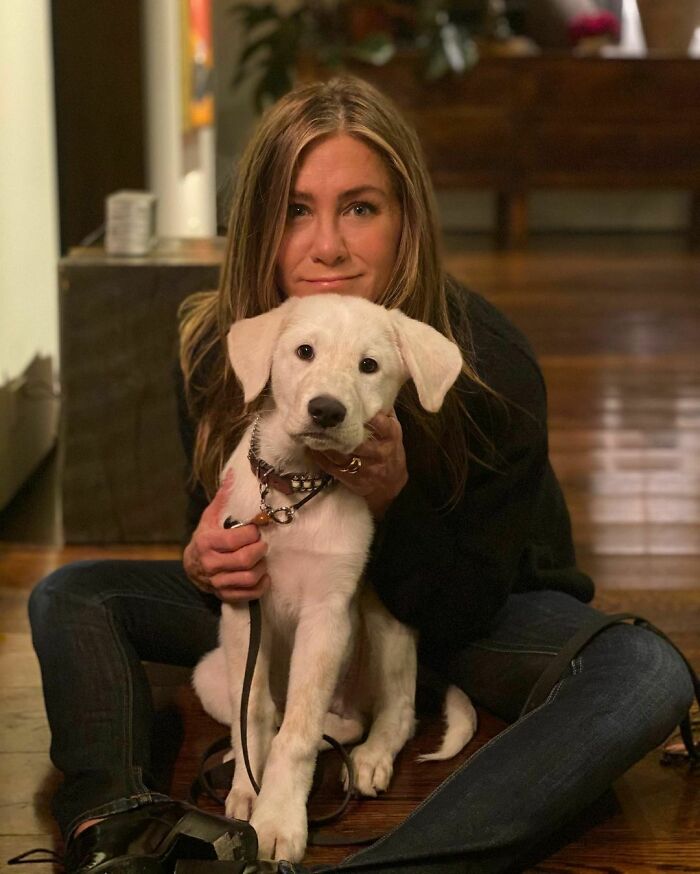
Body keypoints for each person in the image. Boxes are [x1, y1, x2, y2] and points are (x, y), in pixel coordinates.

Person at [29, 76, 694, 874]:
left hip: (470, 615)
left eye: (361, 208)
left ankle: (399, 863)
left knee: (645, 671)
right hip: (294, 606)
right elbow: (218, 545)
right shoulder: (224, 347)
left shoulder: (487, 364)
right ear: (259, 228)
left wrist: (392, 497)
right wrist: (206, 561)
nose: (328, 246)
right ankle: (114, 823)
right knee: (72, 592)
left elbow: (470, 598)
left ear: (406, 220)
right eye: (296, 209)